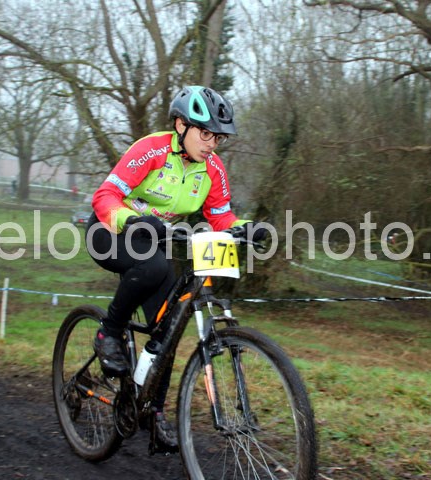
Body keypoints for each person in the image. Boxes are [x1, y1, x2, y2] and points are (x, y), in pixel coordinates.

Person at [86, 85, 266, 452]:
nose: (212, 144)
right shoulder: (151, 150)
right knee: (153, 266)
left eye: (218, 137)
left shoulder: (212, 169)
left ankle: (152, 412)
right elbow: (105, 196)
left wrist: (245, 228)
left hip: (152, 240)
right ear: (181, 125)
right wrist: (131, 220)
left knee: (167, 330)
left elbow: (220, 216)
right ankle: (109, 332)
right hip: (109, 231)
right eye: (206, 134)